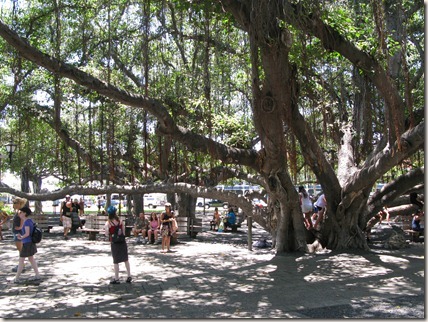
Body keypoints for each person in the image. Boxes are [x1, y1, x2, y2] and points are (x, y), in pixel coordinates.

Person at [105, 206, 132, 284]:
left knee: (116, 260)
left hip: (114, 242)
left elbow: (106, 233)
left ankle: (116, 278)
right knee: (125, 259)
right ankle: (129, 275)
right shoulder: (120, 221)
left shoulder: (108, 223)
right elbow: (123, 231)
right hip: (122, 241)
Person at [13, 206, 41, 283]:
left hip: (27, 243)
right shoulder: (29, 221)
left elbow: (27, 233)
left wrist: (21, 237)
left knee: (21, 260)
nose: (19, 213)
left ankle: (17, 278)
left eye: (21, 212)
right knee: (31, 259)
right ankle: (37, 275)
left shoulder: (27, 222)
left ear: (25, 213)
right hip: (29, 242)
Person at [11, 197, 28, 272]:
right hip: (16, 231)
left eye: (15, 203)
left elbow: (23, 220)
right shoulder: (18, 211)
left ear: (19, 204)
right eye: (13, 203)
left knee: (20, 249)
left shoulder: (20, 211)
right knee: (20, 249)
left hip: (18, 232)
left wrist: (20, 227)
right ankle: (22, 264)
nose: (14, 204)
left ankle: (21, 265)